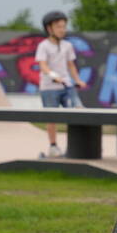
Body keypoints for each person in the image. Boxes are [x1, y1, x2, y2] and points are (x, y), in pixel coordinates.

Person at [35, 11, 87, 157]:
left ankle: (76, 147)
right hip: (49, 87)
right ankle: (53, 147)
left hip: (67, 86)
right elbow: (43, 65)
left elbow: (71, 65)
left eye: (64, 27)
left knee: (77, 112)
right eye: (59, 27)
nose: (62, 30)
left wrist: (77, 80)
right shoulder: (43, 46)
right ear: (49, 29)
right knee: (52, 118)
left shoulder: (67, 45)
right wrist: (53, 76)